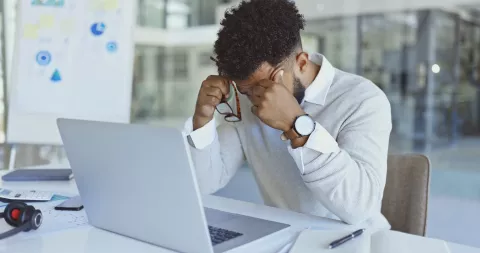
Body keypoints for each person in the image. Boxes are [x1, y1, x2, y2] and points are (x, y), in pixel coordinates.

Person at [184, 0, 392, 229]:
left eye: (266, 84)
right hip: (284, 238)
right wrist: (202, 120)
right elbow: (206, 182)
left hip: (355, 240)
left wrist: (297, 124)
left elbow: (360, 208)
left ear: (302, 62)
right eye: (246, 90)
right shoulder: (246, 100)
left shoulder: (362, 100)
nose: (258, 98)